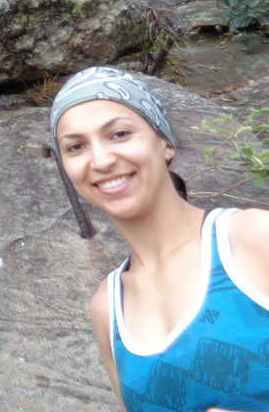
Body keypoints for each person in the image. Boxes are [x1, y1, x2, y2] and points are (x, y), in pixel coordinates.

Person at [50, 66, 269, 412]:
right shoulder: (108, 307)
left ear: (164, 143)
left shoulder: (253, 240)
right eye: (76, 147)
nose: (101, 160)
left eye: (120, 134)